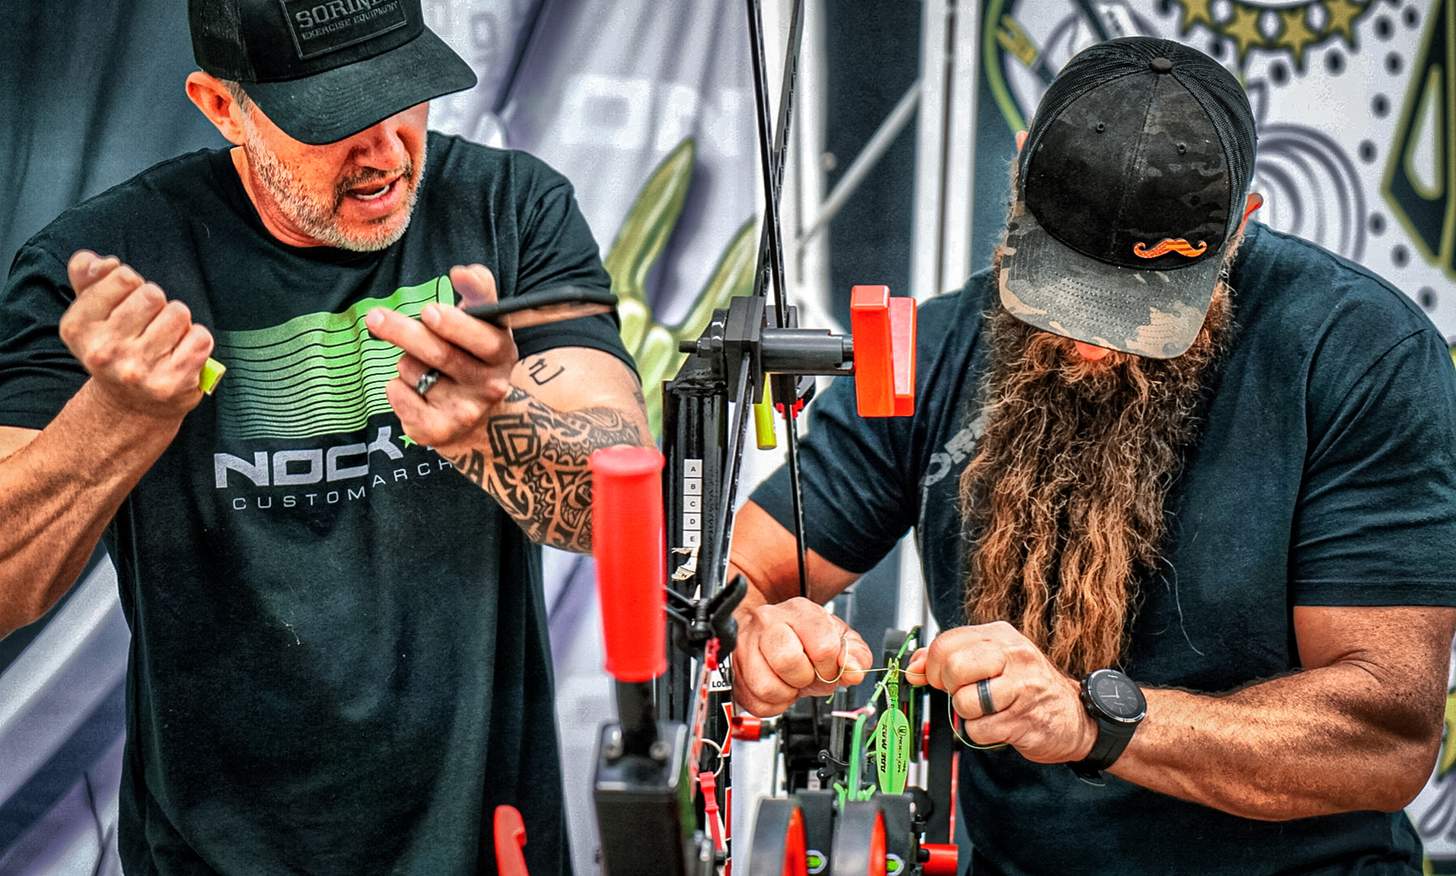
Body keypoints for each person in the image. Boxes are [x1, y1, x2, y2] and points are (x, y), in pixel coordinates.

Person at [728, 36, 1456, 873]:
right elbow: (745, 580)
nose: (1095, 343)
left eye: (1145, 309)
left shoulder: (1360, 355)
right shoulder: (932, 351)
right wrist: (767, 638)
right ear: (1018, 200)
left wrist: (1095, 721)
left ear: (1237, 231)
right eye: (1066, 288)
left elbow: (1385, 736)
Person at [0, 0, 649, 872]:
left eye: (402, 94)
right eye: (336, 116)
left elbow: (618, 505)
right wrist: (117, 419)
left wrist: (491, 426)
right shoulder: (109, 264)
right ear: (221, 105)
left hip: (488, 846)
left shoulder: (509, 209)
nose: (384, 150)